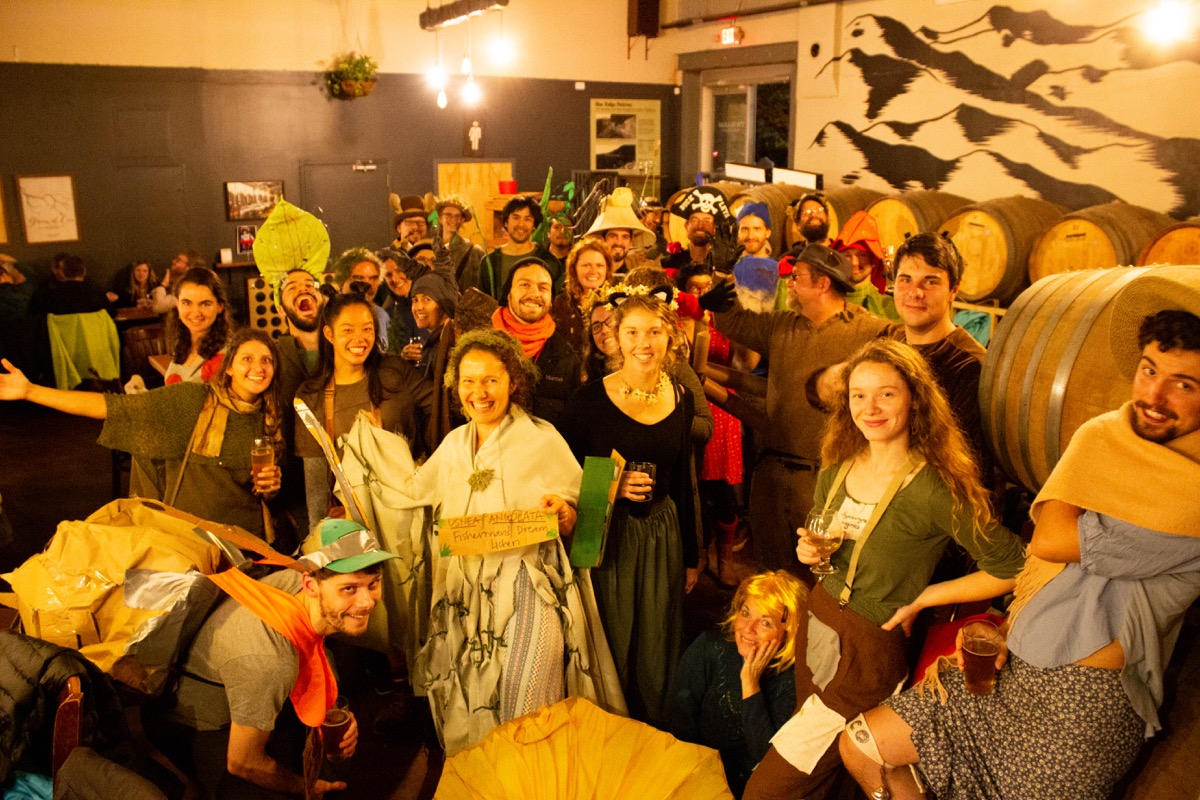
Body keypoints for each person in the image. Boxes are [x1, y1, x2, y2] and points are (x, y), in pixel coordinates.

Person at [839, 306, 1200, 800]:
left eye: (1185, 384)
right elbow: (1056, 566)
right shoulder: (1116, 444)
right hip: (1014, 669)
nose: (1153, 396)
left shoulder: (1189, 496)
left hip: (1082, 710)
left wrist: (1092, 445)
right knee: (861, 745)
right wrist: (1008, 627)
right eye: (1148, 370)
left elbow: (1050, 538)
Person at [741, 338, 1024, 800]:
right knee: (825, 779)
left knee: (767, 790)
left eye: (886, 393)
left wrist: (926, 597)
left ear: (915, 398)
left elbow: (1013, 566)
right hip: (818, 625)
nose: (870, 407)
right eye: (858, 394)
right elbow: (829, 549)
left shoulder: (936, 488)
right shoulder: (837, 467)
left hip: (866, 653)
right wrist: (811, 556)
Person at [405, 329, 621, 754]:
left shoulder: (541, 438)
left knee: (526, 703)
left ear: (513, 382)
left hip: (529, 584)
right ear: (455, 385)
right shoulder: (452, 447)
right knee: (471, 710)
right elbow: (411, 498)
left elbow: (585, 516)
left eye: (491, 379)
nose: (479, 392)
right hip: (465, 596)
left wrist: (565, 513)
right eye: (468, 380)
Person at [147, 517, 398, 799]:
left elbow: (311, 652)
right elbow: (243, 762)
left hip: (247, 690)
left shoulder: (297, 583)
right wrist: (306, 788)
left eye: (373, 583)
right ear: (311, 586)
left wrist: (328, 712)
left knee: (324, 761)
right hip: (198, 722)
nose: (367, 602)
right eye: (349, 588)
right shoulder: (268, 661)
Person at [699, 244, 889, 574]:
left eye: (796, 276)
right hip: (771, 475)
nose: (788, 283)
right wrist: (721, 275)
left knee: (823, 577)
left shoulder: (867, 331)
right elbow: (735, 323)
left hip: (826, 480)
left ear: (823, 284)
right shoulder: (783, 325)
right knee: (772, 576)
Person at [560, 292, 701, 725]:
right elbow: (560, 478)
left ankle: (653, 733)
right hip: (607, 538)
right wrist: (611, 488)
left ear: (670, 337)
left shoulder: (681, 397)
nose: (644, 342)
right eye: (633, 332)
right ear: (614, 339)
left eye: (654, 332)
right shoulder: (587, 401)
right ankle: (608, 731)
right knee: (612, 641)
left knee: (658, 644)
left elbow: (681, 481)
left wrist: (692, 557)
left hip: (662, 535)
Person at [0, 328, 285, 539]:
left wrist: (270, 488)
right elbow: (112, 408)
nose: (258, 367)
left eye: (267, 360)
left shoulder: (270, 418)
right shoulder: (190, 401)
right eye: (247, 358)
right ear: (230, 368)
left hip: (247, 543)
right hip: (190, 543)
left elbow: (256, 494)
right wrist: (30, 391)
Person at [295, 293, 434, 523]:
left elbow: (439, 407)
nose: (359, 338)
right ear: (329, 334)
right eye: (348, 330)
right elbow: (317, 485)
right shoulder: (311, 396)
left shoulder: (395, 372)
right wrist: (318, 544)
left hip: (408, 512)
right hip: (352, 524)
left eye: (367, 329)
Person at [669, 571, 803, 797]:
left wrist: (750, 685)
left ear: (787, 633)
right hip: (701, 775)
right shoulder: (709, 648)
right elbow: (681, 720)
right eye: (746, 613)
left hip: (755, 788)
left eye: (766, 622)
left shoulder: (793, 679)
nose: (748, 629)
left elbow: (769, 759)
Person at [491, 258, 580, 428]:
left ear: (551, 299)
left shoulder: (566, 358)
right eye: (524, 285)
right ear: (508, 293)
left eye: (543, 288)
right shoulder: (482, 345)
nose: (534, 293)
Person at [477, 196, 558, 299]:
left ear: (534, 225)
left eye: (527, 219)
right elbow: (481, 304)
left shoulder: (548, 261)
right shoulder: (489, 262)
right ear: (506, 222)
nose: (521, 224)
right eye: (516, 217)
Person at [163, 267, 232, 385]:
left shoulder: (228, 355)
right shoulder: (181, 345)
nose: (195, 313)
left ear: (220, 306)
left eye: (205, 304)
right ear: (177, 305)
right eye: (187, 303)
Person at [549, 238, 614, 357]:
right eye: (586, 265)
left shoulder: (616, 303)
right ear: (574, 269)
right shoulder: (559, 305)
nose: (593, 271)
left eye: (599, 265)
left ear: (607, 270)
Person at [661, 186, 735, 278]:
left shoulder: (722, 265)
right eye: (694, 220)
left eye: (707, 221)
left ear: (715, 228)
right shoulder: (671, 263)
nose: (700, 225)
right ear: (686, 225)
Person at [583, 187, 657, 277]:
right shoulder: (588, 275)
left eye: (625, 237)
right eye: (613, 236)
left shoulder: (638, 276)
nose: (619, 242)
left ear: (630, 243)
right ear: (602, 240)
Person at [331, 247, 390, 353]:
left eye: (373, 278)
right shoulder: (330, 315)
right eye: (359, 278)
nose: (368, 285)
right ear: (342, 280)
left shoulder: (382, 315)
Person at [434, 194, 485, 289]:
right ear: (440, 218)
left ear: (462, 220)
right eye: (448, 215)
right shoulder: (429, 249)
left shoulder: (474, 252)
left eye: (457, 216)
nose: (453, 219)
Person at [37, 254, 117, 315]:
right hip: (93, 335)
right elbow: (112, 313)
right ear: (84, 271)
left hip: (63, 336)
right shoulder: (95, 294)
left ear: (64, 273)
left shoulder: (51, 297)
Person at [150, 250, 203, 314]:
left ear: (188, 267)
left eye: (178, 260)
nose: (173, 261)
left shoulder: (186, 288)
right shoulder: (177, 284)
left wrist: (163, 285)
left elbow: (158, 307)